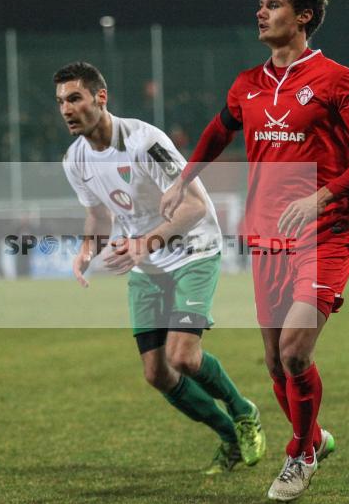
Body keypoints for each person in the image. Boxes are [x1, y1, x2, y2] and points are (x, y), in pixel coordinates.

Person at [159, 0, 349, 501]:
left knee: (293, 351)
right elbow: (220, 129)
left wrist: (324, 195)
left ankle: (301, 452)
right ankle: (314, 437)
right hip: (266, 234)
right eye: (260, 4)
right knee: (272, 361)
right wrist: (184, 178)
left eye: (273, 5)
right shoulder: (248, 84)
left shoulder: (338, 80)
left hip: (328, 232)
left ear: (303, 16)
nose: (260, 12)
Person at [55, 61, 266, 474]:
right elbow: (98, 217)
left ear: (101, 97)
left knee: (183, 357)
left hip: (194, 251)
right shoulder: (75, 160)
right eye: (61, 101)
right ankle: (228, 435)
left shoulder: (145, 142)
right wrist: (85, 251)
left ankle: (244, 412)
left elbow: (195, 206)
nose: (66, 109)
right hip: (147, 263)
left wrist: (142, 244)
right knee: (156, 373)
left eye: (75, 98)